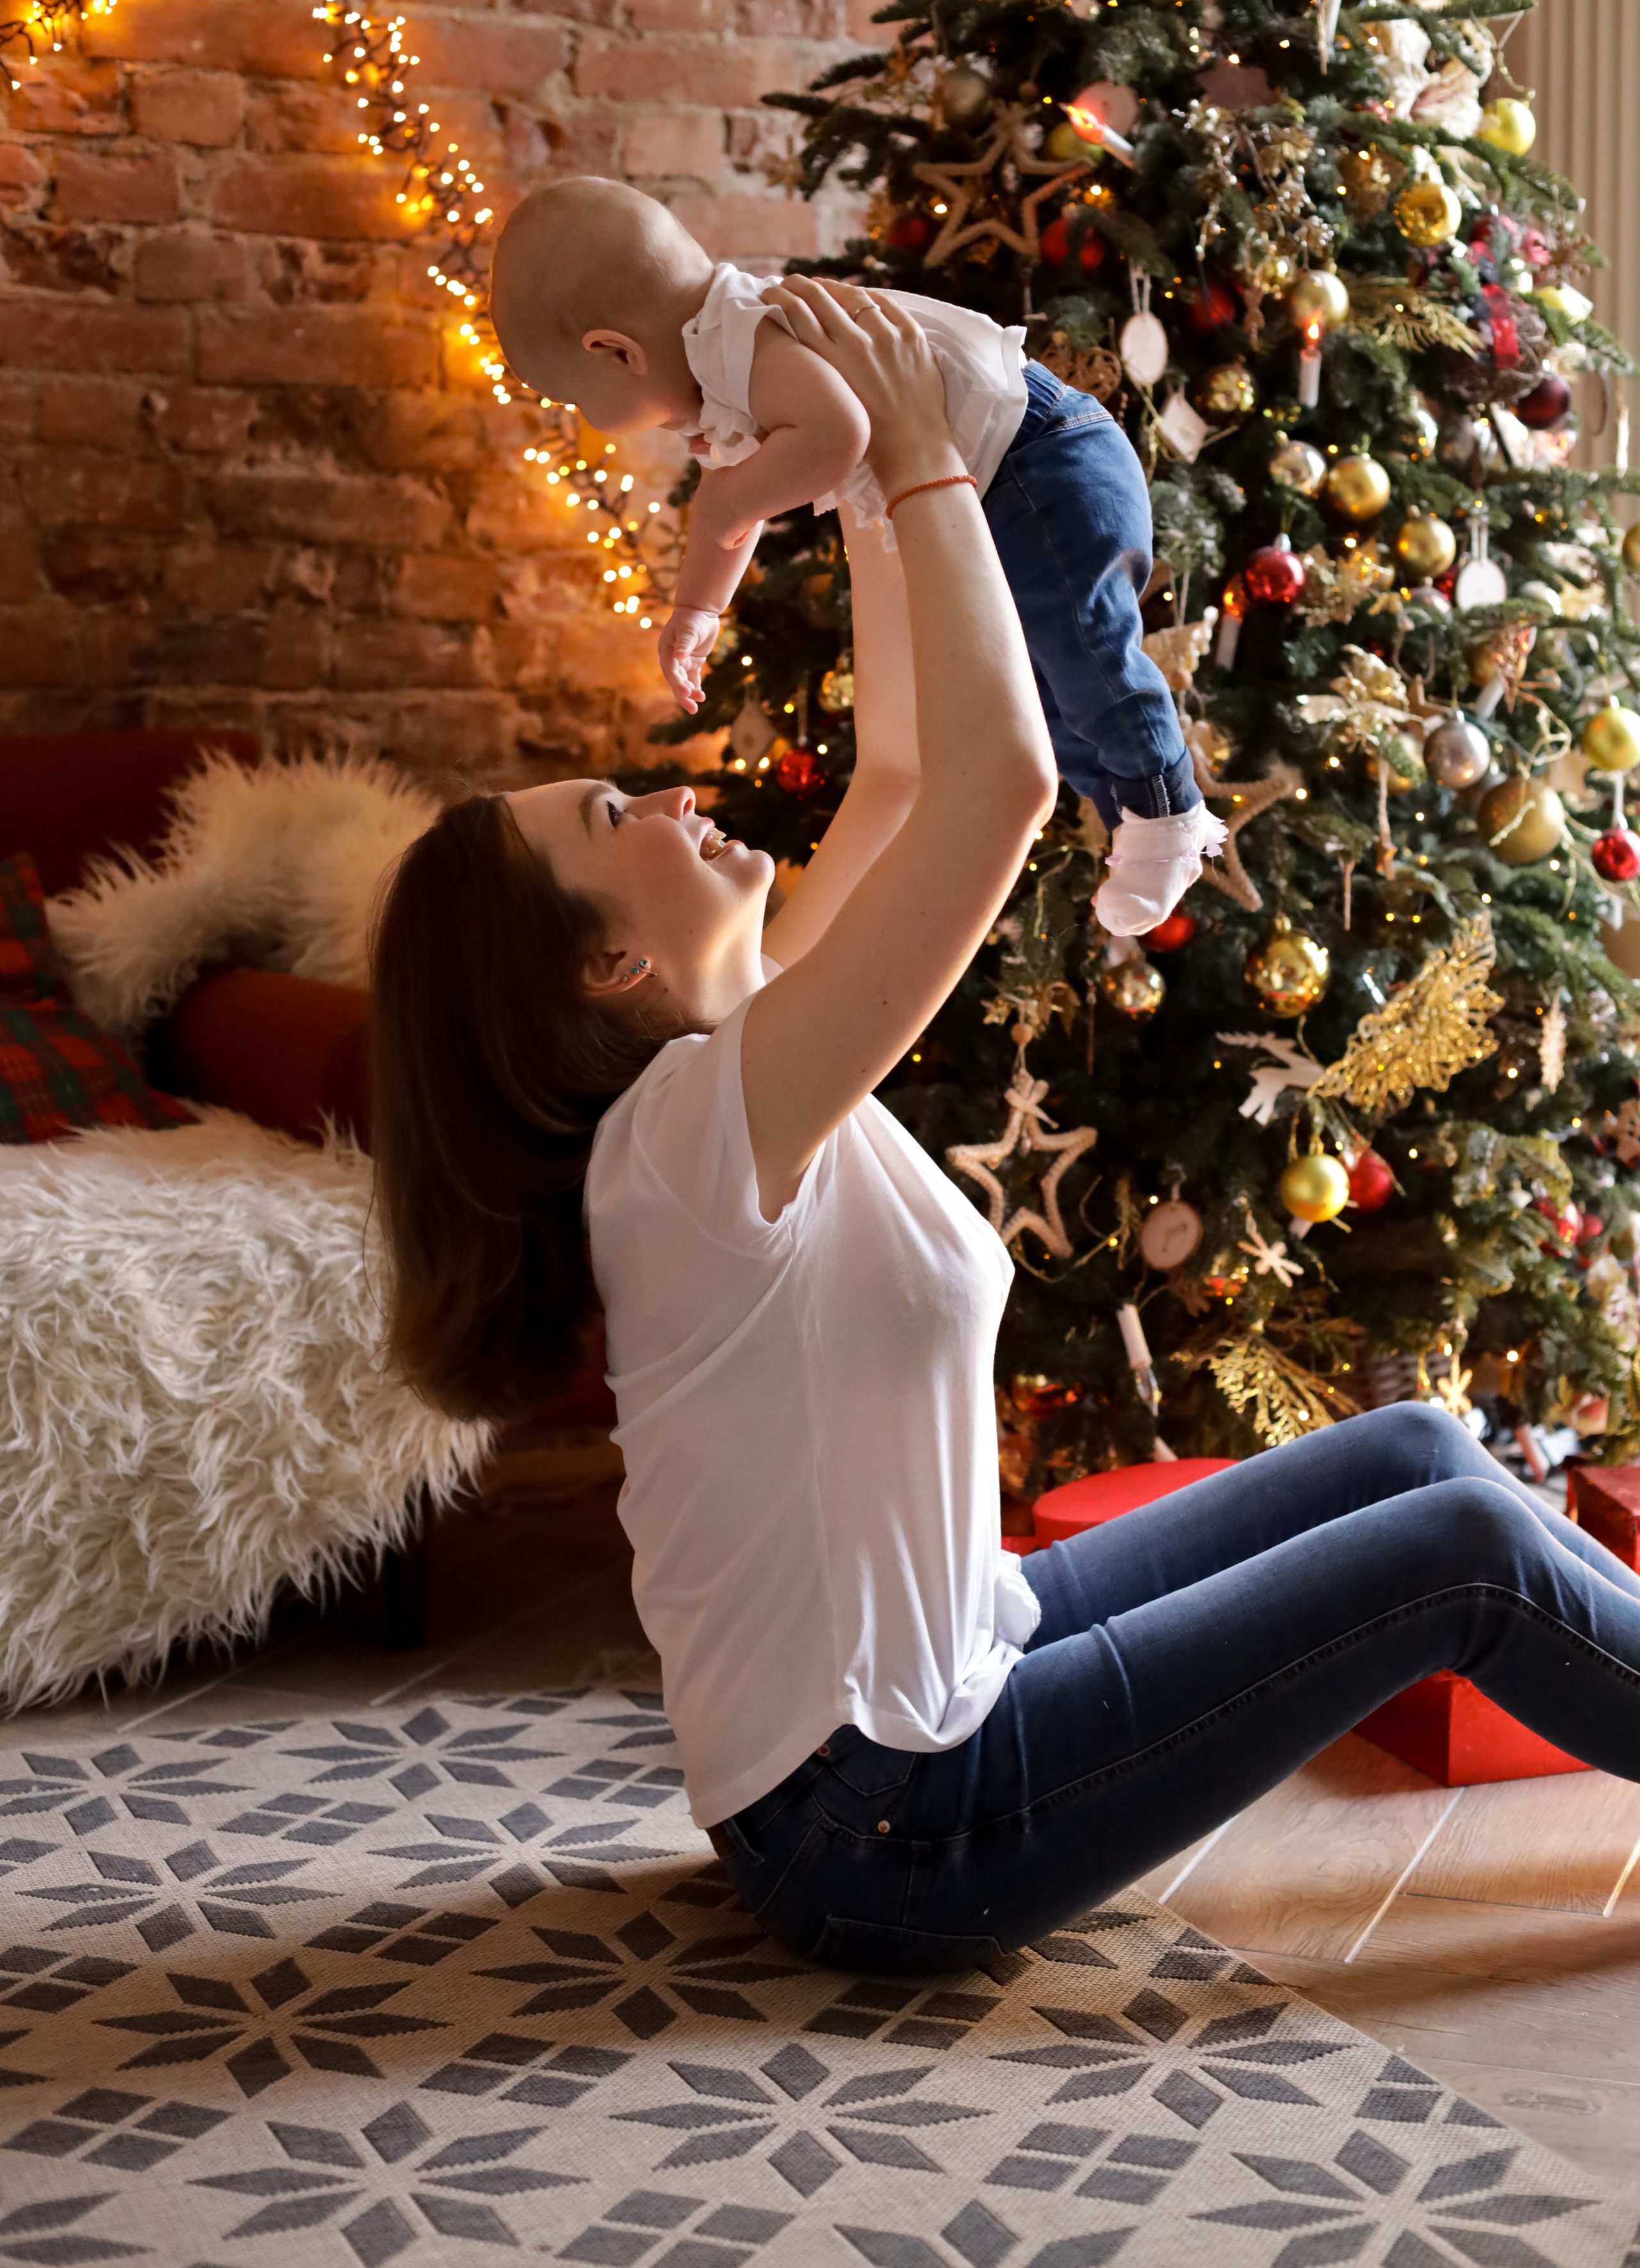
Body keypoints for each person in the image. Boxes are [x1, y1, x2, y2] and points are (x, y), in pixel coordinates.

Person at [370, 281, 1640, 1978]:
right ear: (605, 960)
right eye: (619, 814)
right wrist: (919, 465)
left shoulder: (739, 1057)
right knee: (1465, 1549)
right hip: (893, 1819)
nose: (672, 793)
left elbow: (899, 780)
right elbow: (1000, 787)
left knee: (1420, 1460)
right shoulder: (688, 1133)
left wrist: (872, 494)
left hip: (960, 1679)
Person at [488, 175, 1219, 937]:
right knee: (1044, 679)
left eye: (576, 403)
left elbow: (837, 436)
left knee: (1084, 648)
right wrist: (695, 609)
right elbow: (725, 511)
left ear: (614, 351)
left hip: (1044, 459)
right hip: (998, 482)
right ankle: (1131, 812)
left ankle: (1169, 810)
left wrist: (733, 501)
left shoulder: (744, 334)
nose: (590, 422)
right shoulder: (715, 371)